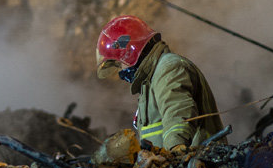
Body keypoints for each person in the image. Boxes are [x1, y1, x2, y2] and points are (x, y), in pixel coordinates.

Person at [96, 14, 224, 151]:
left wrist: (176, 149)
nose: (121, 70)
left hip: (199, 164)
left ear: (129, 52)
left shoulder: (168, 68)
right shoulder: (148, 82)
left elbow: (177, 112)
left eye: (119, 63)